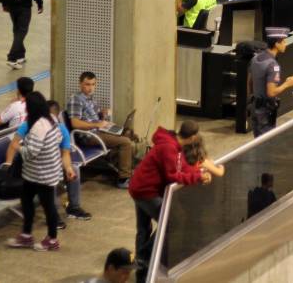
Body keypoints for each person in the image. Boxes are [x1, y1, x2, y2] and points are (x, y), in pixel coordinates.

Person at [128, 121, 209, 283]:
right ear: (193, 137)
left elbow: (181, 167)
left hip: (140, 186)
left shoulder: (174, 145)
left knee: (143, 229)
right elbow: (173, 175)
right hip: (145, 191)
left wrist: (197, 172)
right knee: (171, 223)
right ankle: (143, 258)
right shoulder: (169, 148)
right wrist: (197, 177)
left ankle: (142, 275)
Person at [5, 92, 73, 252]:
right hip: (38, 172)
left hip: (43, 175)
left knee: (48, 206)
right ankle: (27, 236)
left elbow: (31, 152)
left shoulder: (38, 127)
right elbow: (56, 139)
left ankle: (52, 240)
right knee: (27, 200)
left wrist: (18, 147)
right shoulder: (52, 119)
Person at [6, 98, 91, 222]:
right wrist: (7, 164)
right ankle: (53, 214)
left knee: (74, 169)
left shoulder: (62, 130)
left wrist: (68, 168)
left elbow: (65, 154)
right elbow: (13, 144)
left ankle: (74, 208)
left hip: (50, 163)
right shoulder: (28, 125)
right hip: (30, 165)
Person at [67, 71, 134, 188]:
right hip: (89, 136)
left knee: (127, 133)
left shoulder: (90, 98)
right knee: (125, 142)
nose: (90, 88)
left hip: (98, 131)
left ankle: (119, 167)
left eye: (93, 84)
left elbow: (92, 118)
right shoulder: (76, 100)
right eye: (87, 84)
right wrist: (97, 125)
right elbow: (75, 123)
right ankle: (123, 178)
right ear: (80, 84)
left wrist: (101, 115)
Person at [249, 27, 293, 137]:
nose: (285, 44)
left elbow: (250, 81)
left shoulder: (255, 58)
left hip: (255, 107)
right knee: (266, 144)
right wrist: (287, 84)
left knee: (257, 141)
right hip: (265, 111)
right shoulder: (273, 65)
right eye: (284, 41)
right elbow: (271, 93)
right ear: (277, 44)